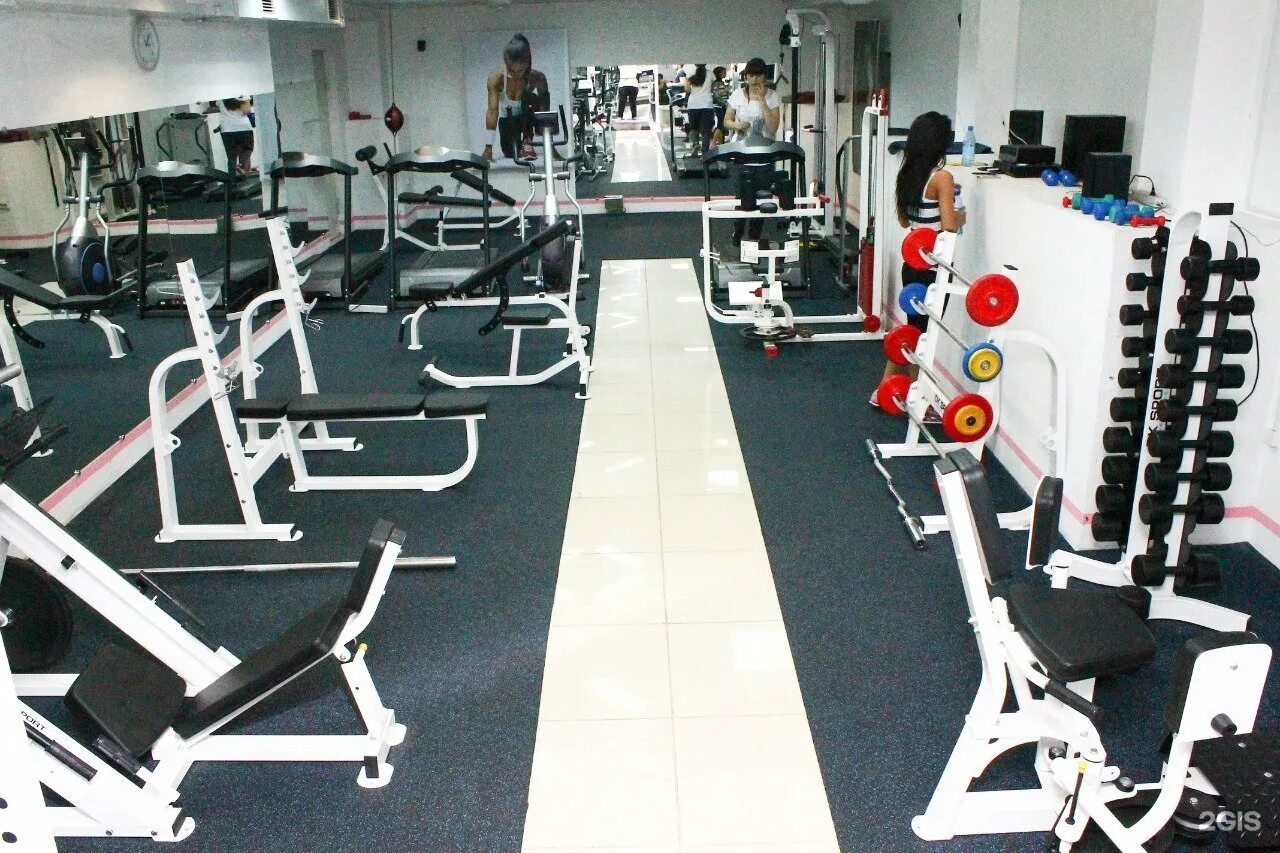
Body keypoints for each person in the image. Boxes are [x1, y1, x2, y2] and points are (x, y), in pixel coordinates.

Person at [874, 111, 965, 403]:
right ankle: (911, 394)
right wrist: (961, 215)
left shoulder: (907, 175)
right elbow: (949, 225)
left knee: (916, 330)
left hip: (912, 266)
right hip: (934, 268)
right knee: (923, 335)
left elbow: (904, 221)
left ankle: (888, 390)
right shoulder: (942, 177)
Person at [723, 57, 782, 245]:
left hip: (764, 153)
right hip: (742, 152)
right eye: (751, 75)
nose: (754, 79)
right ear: (746, 76)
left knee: (763, 196)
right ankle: (738, 230)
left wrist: (763, 100)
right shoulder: (737, 95)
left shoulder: (772, 96)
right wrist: (737, 125)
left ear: (765, 76)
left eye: (758, 75)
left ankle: (755, 235)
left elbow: (773, 127)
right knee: (742, 196)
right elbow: (726, 121)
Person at [483, 34, 550, 162]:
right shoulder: (496, 79)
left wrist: (550, 146)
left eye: (520, 71)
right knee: (510, 153)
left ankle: (527, 141)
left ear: (527, 64)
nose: (516, 75)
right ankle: (520, 146)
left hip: (527, 119)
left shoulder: (537, 77)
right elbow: (492, 112)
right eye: (511, 71)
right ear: (507, 64)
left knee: (530, 97)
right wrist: (488, 148)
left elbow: (545, 112)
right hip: (507, 121)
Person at [217, 97, 256, 176]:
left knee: (231, 157)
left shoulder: (220, 95)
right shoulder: (242, 94)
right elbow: (246, 111)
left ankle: (233, 180)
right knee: (247, 151)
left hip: (227, 129)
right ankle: (242, 169)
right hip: (243, 128)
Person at [683, 64, 715, 157]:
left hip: (693, 104)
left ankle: (695, 144)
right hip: (707, 104)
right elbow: (712, 89)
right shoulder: (711, 74)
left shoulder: (690, 73)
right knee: (706, 130)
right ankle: (705, 151)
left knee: (694, 127)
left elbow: (687, 89)